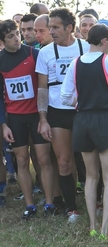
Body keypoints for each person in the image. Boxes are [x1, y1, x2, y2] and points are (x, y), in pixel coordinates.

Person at [60, 23, 108, 239]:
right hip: (104, 118)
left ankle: (92, 225)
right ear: (104, 41)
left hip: (82, 119)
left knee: (90, 176)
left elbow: (64, 97)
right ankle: (104, 229)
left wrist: (81, 102)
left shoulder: (75, 62)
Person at [35, 7, 89, 222]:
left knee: (89, 160)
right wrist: (43, 119)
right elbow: (42, 89)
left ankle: (99, 201)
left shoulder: (86, 48)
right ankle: (71, 208)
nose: (52, 31)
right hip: (58, 113)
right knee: (64, 161)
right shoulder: (45, 53)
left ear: (69, 28)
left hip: (84, 112)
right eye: (50, 27)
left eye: (56, 27)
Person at [0, 19, 54, 219]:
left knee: (43, 159)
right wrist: (4, 124)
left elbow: (43, 86)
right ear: (2, 41)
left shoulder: (34, 54)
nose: (16, 38)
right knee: (22, 161)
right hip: (15, 118)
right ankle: (30, 205)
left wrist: (44, 116)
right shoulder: (1, 60)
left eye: (17, 33)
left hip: (37, 115)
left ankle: (49, 203)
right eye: (10, 36)